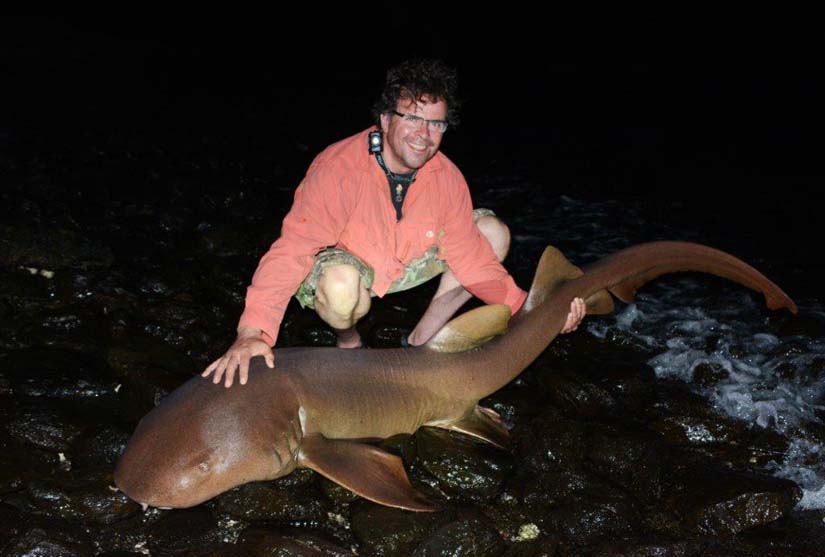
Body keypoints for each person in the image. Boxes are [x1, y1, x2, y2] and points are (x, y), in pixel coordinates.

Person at [203, 59, 586, 387]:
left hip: (405, 261)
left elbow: (472, 261)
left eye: (436, 124)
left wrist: (531, 310)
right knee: (340, 288)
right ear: (385, 119)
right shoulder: (338, 168)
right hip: (349, 264)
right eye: (413, 118)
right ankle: (349, 340)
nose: (424, 135)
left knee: (491, 233)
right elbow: (291, 251)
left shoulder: (447, 177)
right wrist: (253, 333)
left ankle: (423, 342)